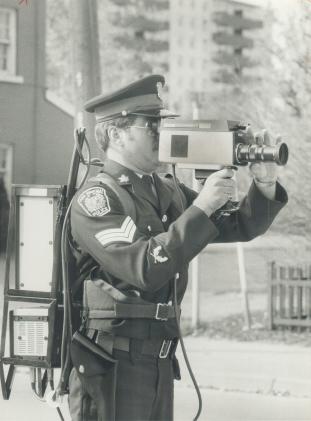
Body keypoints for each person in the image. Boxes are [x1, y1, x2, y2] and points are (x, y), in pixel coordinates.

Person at [68, 74, 287, 421]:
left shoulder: (165, 189)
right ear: (115, 133)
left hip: (158, 360)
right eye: (151, 123)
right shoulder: (98, 198)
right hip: (112, 365)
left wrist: (265, 180)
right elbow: (144, 268)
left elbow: (239, 226)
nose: (163, 131)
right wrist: (202, 207)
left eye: (162, 121)